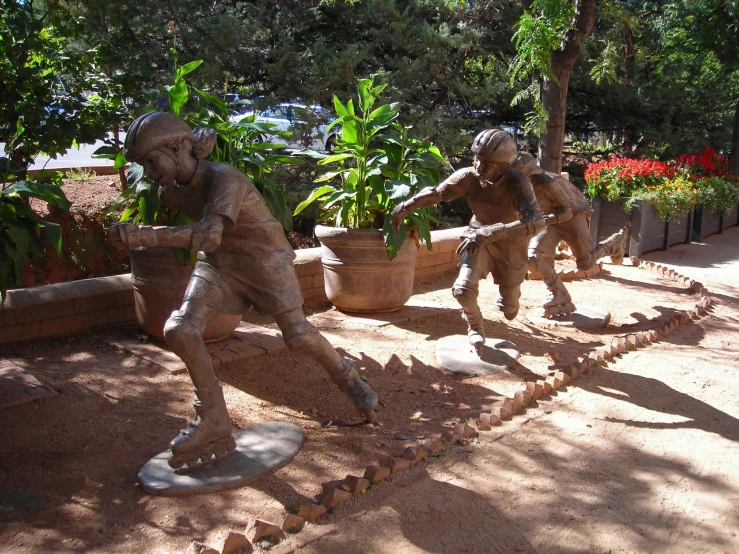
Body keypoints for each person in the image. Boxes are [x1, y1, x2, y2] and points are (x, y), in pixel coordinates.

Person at [108, 112, 379, 469]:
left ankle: (350, 381)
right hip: (220, 264)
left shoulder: (226, 178)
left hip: (264, 260)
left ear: (176, 148)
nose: (148, 172)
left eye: (150, 161)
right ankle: (212, 417)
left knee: (298, 336)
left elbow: (208, 233)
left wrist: (144, 236)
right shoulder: (169, 192)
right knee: (180, 329)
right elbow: (211, 241)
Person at [390, 129, 546, 356]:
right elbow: (437, 193)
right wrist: (405, 207)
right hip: (477, 237)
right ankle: (476, 327)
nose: (479, 167)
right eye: (477, 159)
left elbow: (537, 222)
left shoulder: (517, 182)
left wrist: (494, 231)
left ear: (504, 166)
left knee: (509, 310)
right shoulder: (469, 177)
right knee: (463, 290)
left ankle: (511, 296)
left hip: (511, 243)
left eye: (488, 164)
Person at [514, 152, 626, 318]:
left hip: (572, 219)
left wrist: (547, 220)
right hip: (550, 223)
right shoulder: (520, 187)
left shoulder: (548, 184)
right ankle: (559, 293)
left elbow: (567, 211)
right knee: (533, 257)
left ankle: (613, 244)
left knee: (586, 264)